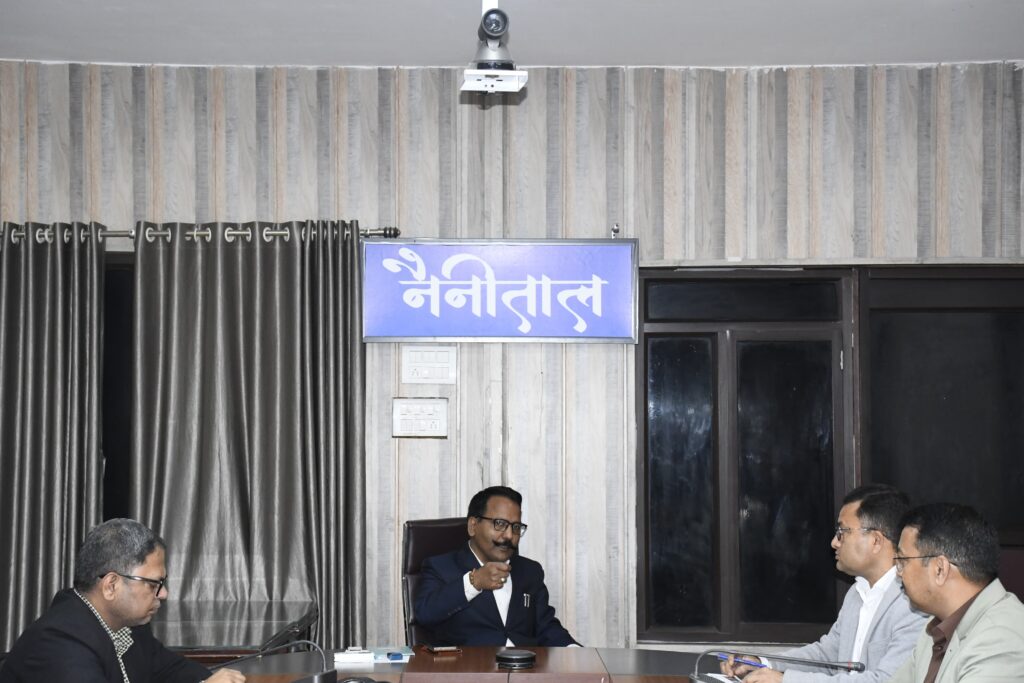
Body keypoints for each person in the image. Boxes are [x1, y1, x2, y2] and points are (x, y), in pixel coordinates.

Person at [723, 484, 927, 682]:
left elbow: (886, 680)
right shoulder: (857, 592)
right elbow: (828, 656)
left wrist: (786, 681)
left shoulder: (913, 603)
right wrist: (762, 663)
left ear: (875, 540)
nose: (834, 542)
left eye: (842, 532)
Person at [0, 518, 245, 683]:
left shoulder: (129, 627)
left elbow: (171, 670)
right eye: (153, 584)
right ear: (111, 585)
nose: (164, 594)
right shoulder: (59, 643)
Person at [414, 485, 578, 646]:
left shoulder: (530, 571)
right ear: (473, 526)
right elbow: (424, 614)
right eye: (499, 524)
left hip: (525, 662)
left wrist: (575, 653)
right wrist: (474, 582)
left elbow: (546, 627)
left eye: (516, 527)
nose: (509, 535)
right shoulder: (440, 567)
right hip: (469, 663)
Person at [887, 503, 1024, 682]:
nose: (898, 573)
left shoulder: (1001, 638)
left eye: (902, 561)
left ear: (940, 569)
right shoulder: (938, 625)